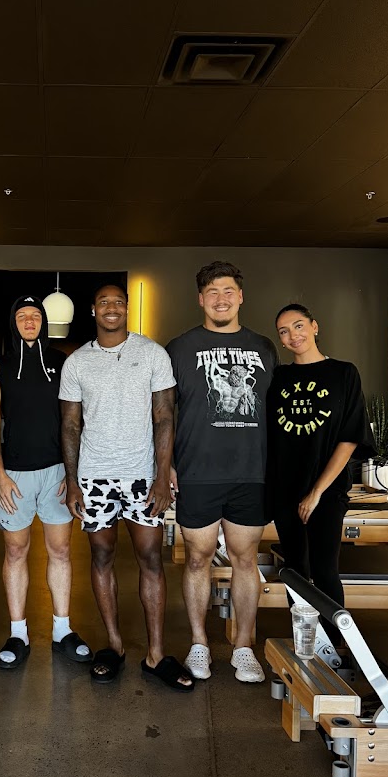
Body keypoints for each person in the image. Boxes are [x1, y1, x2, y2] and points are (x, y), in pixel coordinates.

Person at [60, 284, 192, 692]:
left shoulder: (153, 354)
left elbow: (164, 417)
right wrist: (73, 481)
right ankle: (114, 646)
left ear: (127, 308)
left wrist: (162, 475)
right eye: (104, 302)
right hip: (94, 476)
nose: (112, 308)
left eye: (119, 301)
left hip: (141, 475)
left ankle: (156, 655)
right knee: (101, 555)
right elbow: (70, 425)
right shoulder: (77, 362)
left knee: (150, 557)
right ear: (93, 310)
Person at [166, 261, 277, 684]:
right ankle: (199, 642)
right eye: (212, 292)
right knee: (197, 558)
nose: (221, 299)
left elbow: (273, 410)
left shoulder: (264, 347)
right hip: (197, 472)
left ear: (241, 296)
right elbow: (163, 412)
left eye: (228, 290)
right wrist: (166, 463)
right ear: (200, 299)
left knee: (246, 559)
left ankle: (243, 646)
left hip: (250, 472)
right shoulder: (180, 348)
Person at [0, 295, 92, 670]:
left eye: (35, 315)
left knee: (60, 551)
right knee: (15, 552)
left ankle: (63, 630)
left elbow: (77, 420)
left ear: (43, 322)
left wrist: (72, 473)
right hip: (13, 476)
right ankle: (18, 633)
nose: (29, 321)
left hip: (56, 473)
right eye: (22, 316)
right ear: (13, 322)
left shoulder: (63, 363)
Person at [268, 304, 375, 637]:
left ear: (315, 326)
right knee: (294, 569)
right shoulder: (279, 378)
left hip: (327, 491)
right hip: (285, 488)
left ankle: (335, 646)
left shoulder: (344, 373)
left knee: (325, 569)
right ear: (281, 340)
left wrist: (316, 492)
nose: (293, 335)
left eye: (298, 325)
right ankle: (306, 642)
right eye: (284, 331)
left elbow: (350, 437)